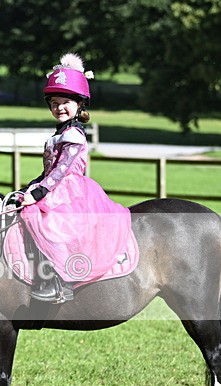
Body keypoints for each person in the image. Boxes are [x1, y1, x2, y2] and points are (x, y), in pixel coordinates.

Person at [17, 53, 133, 303]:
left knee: (43, 221)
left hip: (71, 191)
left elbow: (61, 170)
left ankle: (58, 282)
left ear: (79, 104)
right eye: (54, 102)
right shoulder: (58, 134)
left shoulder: (75, 136)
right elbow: (50, 171)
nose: (59, 107)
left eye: (65, 102)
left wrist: (38, 193)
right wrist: (31, 186)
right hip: (53, 187)